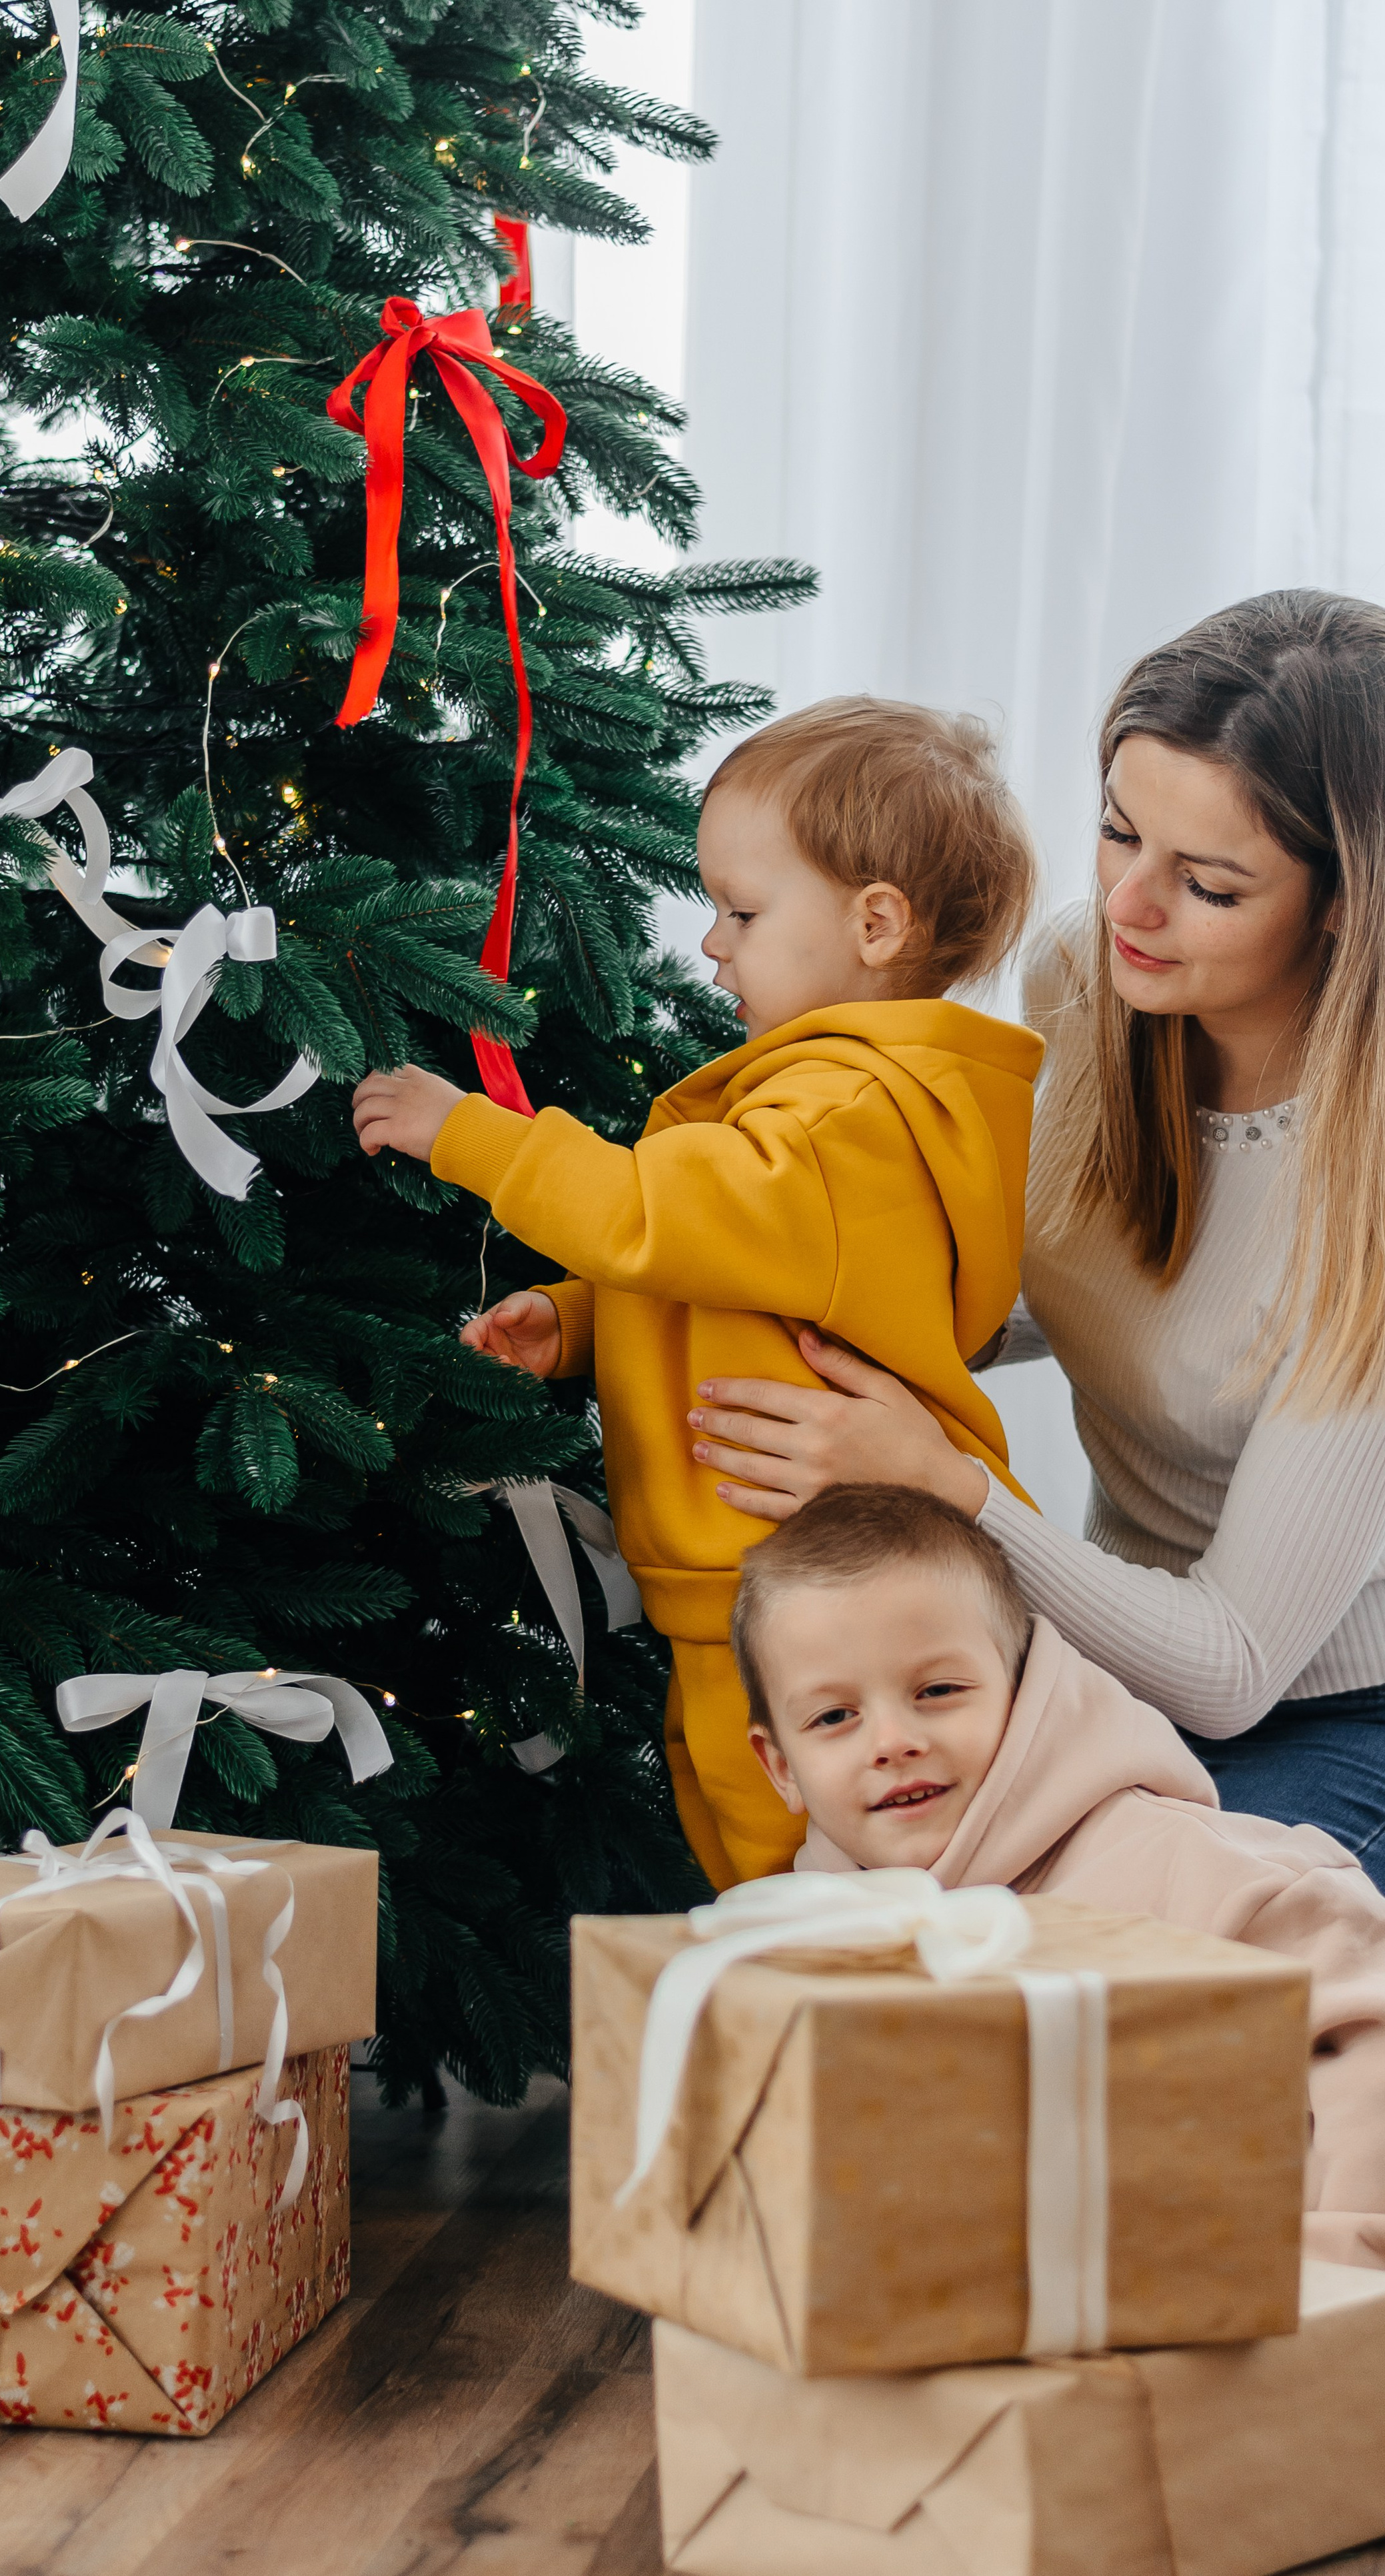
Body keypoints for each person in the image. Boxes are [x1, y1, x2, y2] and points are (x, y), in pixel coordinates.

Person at [684, 593, 1385, 1935]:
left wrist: (944, 1478)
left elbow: (1235, 1666)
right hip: (1123, 1674)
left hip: (1383, 1712)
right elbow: (1065, 1280)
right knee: (927, 1942)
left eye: (1209, 884)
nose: (1128, 903)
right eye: (1119, 830)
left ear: (1343, 907)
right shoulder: (1091, 982)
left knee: (1133, 1986)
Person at [349, 698, 1043, 1888]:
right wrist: (578, 1320)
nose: (713, 942)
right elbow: (724, 1273)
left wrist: (470, 1133)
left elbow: (657, 1212)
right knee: (756, 1858)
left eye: (744, 911)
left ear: (877, 923)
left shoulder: (839, 1119)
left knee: (810, 1875)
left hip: (807, 1587)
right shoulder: (822, 1109)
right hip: (756, 1578)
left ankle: (848, 2008)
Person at [736, 1480, 1385, 2349]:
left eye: (937, 1690)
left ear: (1022, 1690)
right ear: (780, 1765)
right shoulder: (828, 1942)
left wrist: (1336, 2296)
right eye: (835, 1715)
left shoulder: (1160, 1861)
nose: (892, 1740)